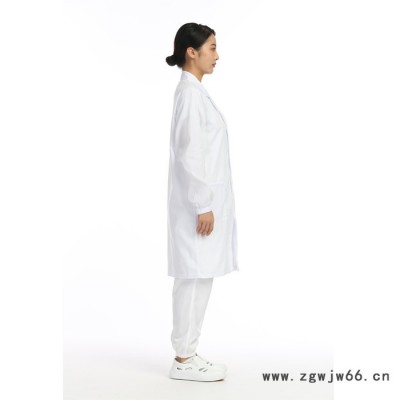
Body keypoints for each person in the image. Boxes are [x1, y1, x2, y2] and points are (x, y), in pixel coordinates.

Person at [165, 22, 239, 382]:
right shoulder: (190, 95)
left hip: (202, 205)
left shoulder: (195, 93)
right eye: (211, 48)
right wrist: (202, 204)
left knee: (198, 278)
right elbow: (189, 153)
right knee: (193, 280)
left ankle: (188, 353)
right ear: (191, 52)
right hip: (197, 208)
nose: (217, 55)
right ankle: (183, 359)